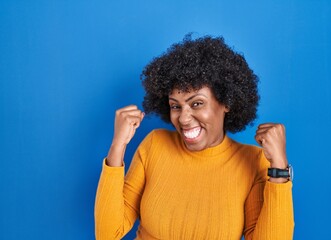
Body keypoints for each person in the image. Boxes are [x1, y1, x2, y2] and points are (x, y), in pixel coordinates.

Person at [94, 35, 294, 240]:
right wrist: (118, 145)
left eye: (197, 103)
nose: (183, 118)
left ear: (226, 102)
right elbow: (108, 233)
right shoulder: (155, 144)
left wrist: (279, 167)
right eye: (175, 106)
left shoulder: (252, 161)